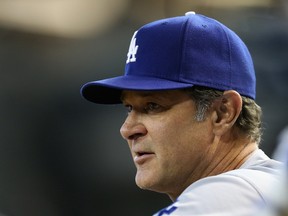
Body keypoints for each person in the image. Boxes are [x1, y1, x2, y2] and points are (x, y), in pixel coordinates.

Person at [80, 12, 283, 215]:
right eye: (129, 108)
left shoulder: (230, 195)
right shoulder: (265, 187)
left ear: (223, 113)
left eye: (152, 106)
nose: (127, 130)